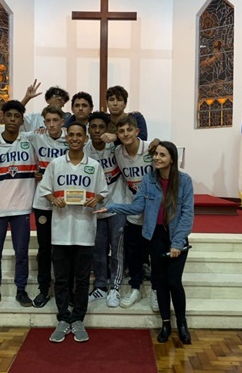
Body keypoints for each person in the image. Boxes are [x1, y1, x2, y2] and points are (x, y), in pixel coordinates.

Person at [95, 141, 194, 344]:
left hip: (175, 237)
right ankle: (165, 324)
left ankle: (182, 324)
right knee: (160, 282)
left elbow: (187, 214)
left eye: (162, 155)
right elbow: (137, 206)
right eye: (156, 154)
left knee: (174, 282)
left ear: (172, 159)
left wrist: (177, 243)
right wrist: (112, 207)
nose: (157, 158)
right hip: (155, 236)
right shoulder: (149, 179)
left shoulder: (184, 181)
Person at [37, 122, 109, 343]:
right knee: (60, 279)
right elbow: (45, 189)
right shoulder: (56, 164)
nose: (75, 138)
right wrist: (53, 199)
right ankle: (62, 318)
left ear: (85, 139)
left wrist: (96, 199)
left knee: (82, 279)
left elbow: (103, 191)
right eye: (72, 135)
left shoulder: (94, 165)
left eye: (79, 135)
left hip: (85, 231)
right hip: (60, 231)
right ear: (66, 137)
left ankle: (78, 318)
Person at [0, 100, 38, 310]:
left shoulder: (30, 142)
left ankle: (21, 291)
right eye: (9, 115)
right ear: (3, 118)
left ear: (22, 120)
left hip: (21, 207)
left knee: (21, 253)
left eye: (17, 116)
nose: (12, 119)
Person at [111, 116, 158, 310]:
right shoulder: (117, 152)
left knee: (155, 252)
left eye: (129, 130)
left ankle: (156, 289)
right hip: (133, 208)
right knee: (133, 252)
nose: (125, 134)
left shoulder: (151, 149)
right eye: (121, 131)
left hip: (154, 210)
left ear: (137, 131)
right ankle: (135, 288)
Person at [24, 105, 69, 308]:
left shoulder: (71, 138)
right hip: (43, 201)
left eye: (55, 120)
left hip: (66, 202)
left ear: (62, 121)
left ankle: (65, 288)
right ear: (44, 122)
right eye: (48, 121)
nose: (51, 124)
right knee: (44, 248)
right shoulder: (37, 136)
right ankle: (44, 289)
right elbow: (13, 135)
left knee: (64, 247)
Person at [84, 111, 127, 307]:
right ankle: (100, 286)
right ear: (88, 129)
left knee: (117, 250)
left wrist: (117, 136)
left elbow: (134, 140)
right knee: (98, 250)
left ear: (107, 129)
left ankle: (115, 288)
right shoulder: (84, 151)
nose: (97, 130)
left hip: (117, 204)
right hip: (95, 208)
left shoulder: (117, 147)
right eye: (93, 127)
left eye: (101, 127)